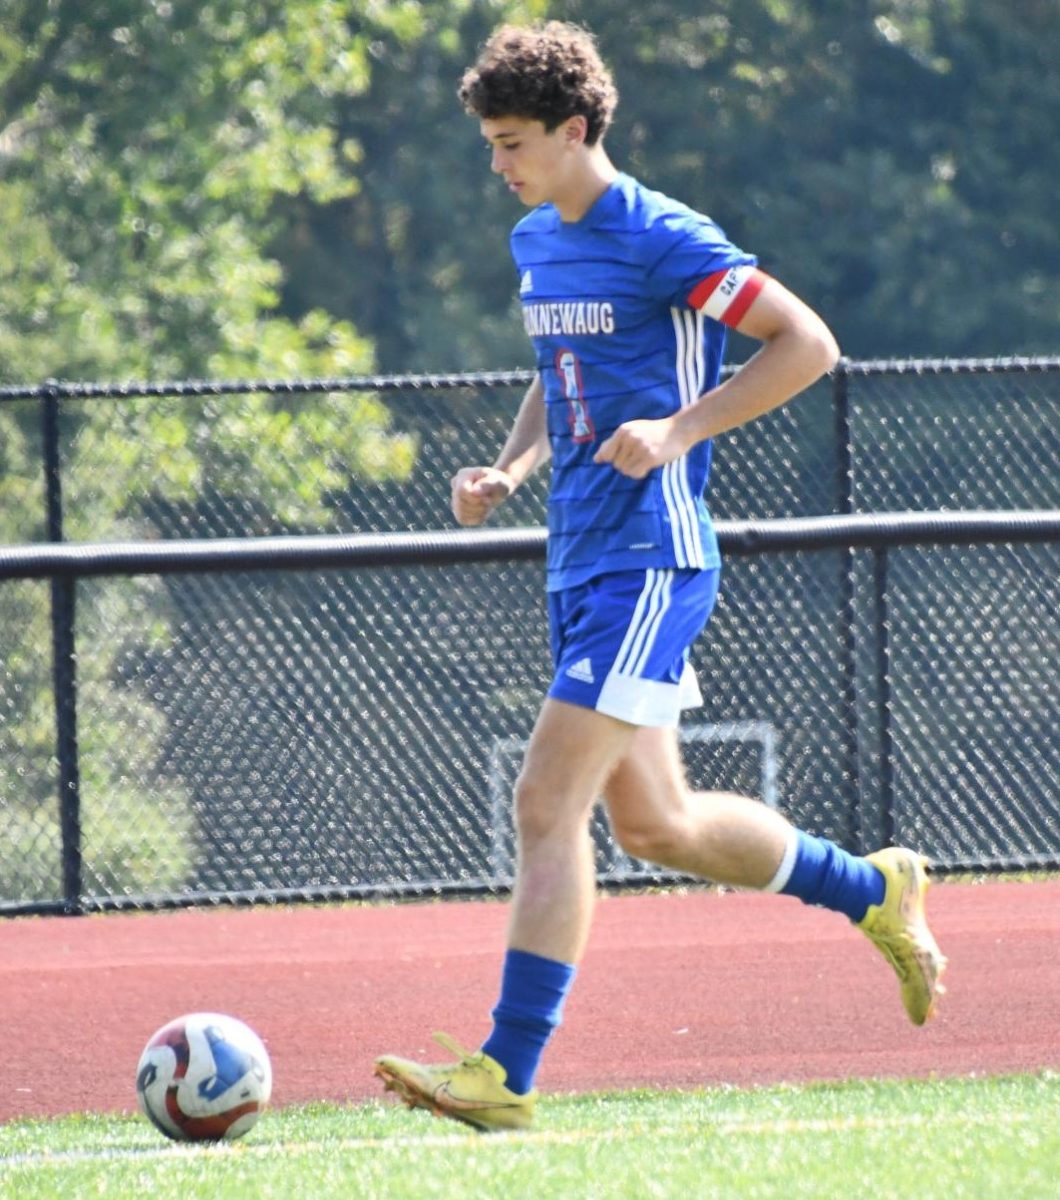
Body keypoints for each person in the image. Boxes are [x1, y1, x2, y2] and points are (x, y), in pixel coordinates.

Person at [375, 20, 946, 1132]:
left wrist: (679, 430)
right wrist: (507, 467)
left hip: (650, 559)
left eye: (511, 143)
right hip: (580, 559)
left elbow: (806, 344)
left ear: (574, 129)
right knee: (658, 827)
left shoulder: (664, 237)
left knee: (546, 802)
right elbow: (562, 369)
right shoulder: (540, 240)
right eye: (491, 145)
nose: (498, 167)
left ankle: (506, 1072)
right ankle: (874, 889)